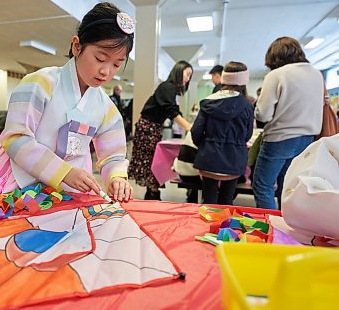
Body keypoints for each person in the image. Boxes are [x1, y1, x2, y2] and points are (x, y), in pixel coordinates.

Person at [0, 2, 135, 213]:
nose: (106, 71)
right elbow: (15, 138)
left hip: (72, 187)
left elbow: (112, 154)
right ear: (77, 46)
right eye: (100, 58)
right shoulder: (39, 83)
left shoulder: (106, 108)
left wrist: (116, 177)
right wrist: (64, 172)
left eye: (116, 64)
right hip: (18, 180)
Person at [252, 36, 323, 210]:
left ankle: (272, 229)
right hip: (308, 140)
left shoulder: (276, 75)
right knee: (288, 188)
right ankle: (287, 229)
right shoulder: (316, 74)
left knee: (263, 186)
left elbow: (263, 114)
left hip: (280, 138)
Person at [191, 61, 254, 205]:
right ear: (243, 82)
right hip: (234, 160)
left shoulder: (208, 103)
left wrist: (207, 145)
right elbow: (247, 135)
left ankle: (207, 227)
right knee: (227, 200)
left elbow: (196, 132)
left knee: (208, 200)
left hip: (209, 158)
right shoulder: (247, 106)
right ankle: (225, 227)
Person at [128, 60, 193, 200]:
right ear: (178, 71)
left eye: (190, 76)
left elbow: (174, 111)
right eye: (187, 74)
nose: (187, 79)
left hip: (153, 128)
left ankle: (152, 192)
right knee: (150, 161)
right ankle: (153, 193)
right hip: (147, 128)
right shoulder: (167, 87)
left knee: (153, 161)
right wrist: (189, 127)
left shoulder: (171, 89)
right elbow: (172, 111)